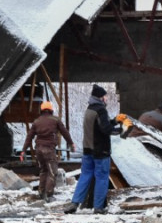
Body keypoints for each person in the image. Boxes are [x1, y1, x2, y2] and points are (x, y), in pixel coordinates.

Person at [64, 84, 119, 215]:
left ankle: (75, 203)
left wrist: (115, 121)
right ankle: (98, 207)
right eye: (105, 96)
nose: (106, 99)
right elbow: (105, 129)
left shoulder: (89, 109)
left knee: (85, 175)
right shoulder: (101, 110)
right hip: (100, 151)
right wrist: (122, 130)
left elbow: (99, 125)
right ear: (101, 97)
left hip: (88, 149)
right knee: (101, 177)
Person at [23, 100, 73, 201]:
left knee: (43, 170)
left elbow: (29, 136)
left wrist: (24, 150)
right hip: (49, 149)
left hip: (39, 150)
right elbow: (65, 132)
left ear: (41, 110)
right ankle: (49, 195)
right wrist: (71, 143)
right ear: (51, 110)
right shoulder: (55, 120)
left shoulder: (36, 121)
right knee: (52, 171)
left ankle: (41, 192)